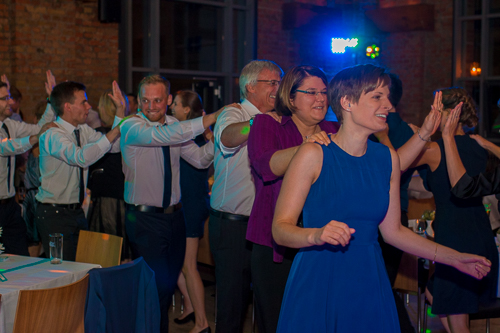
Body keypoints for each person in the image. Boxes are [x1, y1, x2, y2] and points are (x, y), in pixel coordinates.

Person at [271, 64, 492, 333]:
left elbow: (394, 233)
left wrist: (454, 259)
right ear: (347, 102)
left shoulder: (386, 158)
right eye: (377, 96)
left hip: (369, 277)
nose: (388, 105)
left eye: (387, 96)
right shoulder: (314, 154)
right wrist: (315, 235)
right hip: (321, 276)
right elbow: (280, 229)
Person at [121, 75, 221, 333]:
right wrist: (208, 118)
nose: (151, 106)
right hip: (144, 220)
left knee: (165, 289)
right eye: (145, 100)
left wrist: (215, 140)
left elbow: (199, 160)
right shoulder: (131, 126)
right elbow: (161, 137)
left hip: (176, 218)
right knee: (155, 290)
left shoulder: (174, 124)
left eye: (157, 100)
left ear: (167, 100)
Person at [246, 65, 338, 333]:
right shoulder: (268, 123)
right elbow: (266, 165)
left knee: (315, 321)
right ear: (291, 97)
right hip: (275, 242)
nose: (320, 98)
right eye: (311, 92)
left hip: (321, 239)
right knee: (276, 322)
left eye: (324, 92)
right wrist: (309, 147)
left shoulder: (334, 128)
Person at [408, 88, 499, 333]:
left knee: (459, 322)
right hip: (481, 233)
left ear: (450, 113)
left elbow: (396, 163)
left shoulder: (435, 149)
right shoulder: (479, 148)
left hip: (455, 238)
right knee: (435, 294)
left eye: (437, 110)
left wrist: (416, 137)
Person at [210, 59, 283, 333]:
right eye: (272, 82)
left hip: (267, 226)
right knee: (232, 306)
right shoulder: (234, 114)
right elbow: (228, 137)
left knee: (268, 303)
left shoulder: (280, 118)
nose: (278, 88)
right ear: (250, 87)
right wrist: (257, 123)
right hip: (232, 226)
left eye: (280, 82)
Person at [35, 80, 124, 262]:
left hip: (76, 212)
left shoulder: (82, 130)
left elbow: (114, 147)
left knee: (81, 269)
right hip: (55, 214)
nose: (88, 106)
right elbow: (80, 158)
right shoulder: (53, 134)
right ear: (67, 106)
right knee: (62, 273)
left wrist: (120, 112)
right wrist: (115, 131)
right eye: (83, 101)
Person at [170, 90, 212, 333]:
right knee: (178, 262)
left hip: (192, 206)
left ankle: (202, 323)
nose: (171, 107)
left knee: (188, 265)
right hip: (186, 205)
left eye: (175, 104)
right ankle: (190, 305)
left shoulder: (192, 137)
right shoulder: (187, 134)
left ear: (187, 110)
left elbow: (202, 163)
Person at [0, 77, 56, 256]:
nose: (10, 101)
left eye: (8, 96)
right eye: (4, 98)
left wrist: (51, 101)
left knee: (20, 255)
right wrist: (34, 139)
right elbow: (6, 147)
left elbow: (38, 127)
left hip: (9, 205)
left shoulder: (9, 125)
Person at [87, 91, 131, 261]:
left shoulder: (100, 134)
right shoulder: (128, 133)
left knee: (105, 253)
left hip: (108, 199)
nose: (96, 108)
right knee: (120, 251)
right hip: (121, 197)